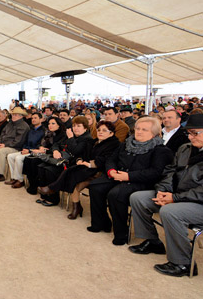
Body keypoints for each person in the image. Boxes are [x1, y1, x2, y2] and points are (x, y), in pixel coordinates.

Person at [129, 114, 203, 277]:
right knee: (138, 198)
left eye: (195, 133)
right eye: (189, 133)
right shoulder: (185, 148)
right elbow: (169, 171)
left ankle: (183, 263)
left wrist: (174, 198)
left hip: (198, 203)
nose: (190, 137)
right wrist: (163, 191)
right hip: (176, 195)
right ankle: (153, 241)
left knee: (170, 212)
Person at [88, 117, 173, 246]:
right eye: (137, 128)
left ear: (154, 133)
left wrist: (128, 176)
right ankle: (101, 222)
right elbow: (111, 160)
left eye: (144, 130)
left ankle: (121, 233)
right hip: (117, 175)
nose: (139, 132)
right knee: (95, 187)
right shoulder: (125, 144)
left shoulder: (160, 150)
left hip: (139, 181)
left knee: (115, 194)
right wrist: (111, 171)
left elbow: (155, 172)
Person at [38, 121, 120, 219]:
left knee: (71, 172)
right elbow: (81, 154)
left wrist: (89, 163)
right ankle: (76, 207)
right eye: (98, 130)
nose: (100, 132)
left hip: (100, 171)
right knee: (72, 176)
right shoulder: (95, 142)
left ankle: (52, 188)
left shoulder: (114, 144)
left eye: (104, 130)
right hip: (87, 168)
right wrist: (80, 160)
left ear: (111, 133)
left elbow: (106, 160)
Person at [36, 116, 93, 206]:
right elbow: (56, 144)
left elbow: (76, 151)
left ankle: (53, 199)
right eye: (74, 126)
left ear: (85, 128)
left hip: (74, 164)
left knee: (50, 170)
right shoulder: (72, 135)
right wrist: (55, 150)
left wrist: (70, 138)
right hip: (63, 159)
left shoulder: (87, 139)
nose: (75, 128)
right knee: (41, 167)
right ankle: (45, 196)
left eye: (79, 126)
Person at [24, 117, 66, 195]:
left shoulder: (62, 135)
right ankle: (33, 185)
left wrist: (44, 150)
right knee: (27, 159)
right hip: (44, 153)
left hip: (51, 156)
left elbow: (58, 148)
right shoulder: (48, 133)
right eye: (49, 123)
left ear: (59, 125)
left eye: (53, 123)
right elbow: (41, 144)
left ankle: (36, 186)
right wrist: (40, 147)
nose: (50, 125)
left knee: (34, 162)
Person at [6, 112, 45, 188]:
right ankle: (14, 177)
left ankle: (20, 180)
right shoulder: (30, 129)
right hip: (26, 150)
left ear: (41, 119)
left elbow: (41, 145)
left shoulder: (43, 131)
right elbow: (25, 141)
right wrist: (24, 148)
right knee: (10, 156)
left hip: (35, 152)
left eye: (35, 118)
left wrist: (29, 150)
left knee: (18, 158)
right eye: (32, 118)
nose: (33, 120)